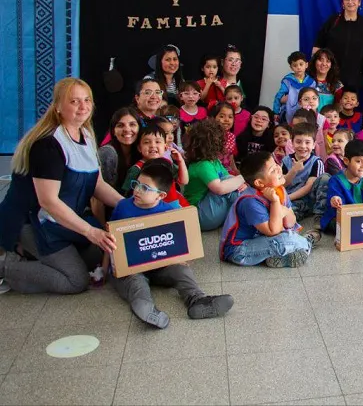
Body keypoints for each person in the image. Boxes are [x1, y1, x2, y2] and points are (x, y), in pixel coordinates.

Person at [0, 78, 121, 295]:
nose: (83, 106)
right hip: (34, 223)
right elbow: (49, 201)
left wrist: (128, 205)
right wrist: (90, 231)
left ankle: (30, 254)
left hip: (63, 221)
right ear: (58, 107)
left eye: (87, 100)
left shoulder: (86, 135)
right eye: (74, 101)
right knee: (75, 280)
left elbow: (97, 184)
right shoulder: (48, 145)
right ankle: (6, 265)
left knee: (102, 254)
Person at [110, 160, 233, 328]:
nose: (137, 190)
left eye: (145, 188)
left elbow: (181, 241)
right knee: (135, 283)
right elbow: (111, 238)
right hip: (133, 268)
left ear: (160, 195)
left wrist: (183, 257)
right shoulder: (123, 207)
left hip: (161, 265)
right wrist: (106, 268)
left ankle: (197, 300)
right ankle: (147, 309)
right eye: (137, 184)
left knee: (182, 270)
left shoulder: (170, 211)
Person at [220, 151, 319, 268]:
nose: (278, 168)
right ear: (259, 183)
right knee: (286, 239)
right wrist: (275, 202)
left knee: (288, 234)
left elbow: (290, 222)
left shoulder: (279, 189)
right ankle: (306, 243)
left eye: (276, 164)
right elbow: (273, 231)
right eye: (272, 170)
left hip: (261, 239)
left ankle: (279, 256)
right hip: (239, 250)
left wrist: (284, 210)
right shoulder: (250, 202)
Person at [183, 119, 249, 231]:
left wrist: (241, 183)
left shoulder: (214, 160)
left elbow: (229, 179)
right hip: (199, 215)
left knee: (231, 183)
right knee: (228, 182)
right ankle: (253, 213)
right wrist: (243, 178)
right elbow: (219, 188)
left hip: (211, 212)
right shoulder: (203, 165)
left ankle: (252, 210)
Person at [323, 139, 363, 235]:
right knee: (338, 225)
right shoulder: (337, 180)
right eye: (358, 161)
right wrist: (335, 199)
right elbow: (334, 198)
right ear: (346, 161)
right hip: (345, 217)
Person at [312, 0, 363, 91]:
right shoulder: (333, 21)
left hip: (354, 76)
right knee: (330, 105)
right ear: (343, 3)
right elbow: (317, 46)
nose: (350, 2)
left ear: (359, 2)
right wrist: (318, 71)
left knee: (349, 105)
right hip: (331, 74)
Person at [282, 123, 329, 218]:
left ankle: (318, 215)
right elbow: (282, 183)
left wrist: (287, 198)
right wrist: (293, 170)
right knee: (284, 217)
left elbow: (309, 186)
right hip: (292, 199)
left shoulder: (316, 162)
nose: (303, 146)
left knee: (325, 177)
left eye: (307, 142)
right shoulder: (286, 160)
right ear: (292, 143)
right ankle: (298, 214)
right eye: (298, 142)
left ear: (313, 145)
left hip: (309, 199)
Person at [97, 107, 141, 191]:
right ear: (113, 131)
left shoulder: (142, 151)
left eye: (132, 124)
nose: (127, 129)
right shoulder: (107, 153)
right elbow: (100, 192)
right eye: (120, 125)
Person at [273, 51, 314, 123]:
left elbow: (315, 98)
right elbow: (279, 96)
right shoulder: (287, 81)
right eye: (295, 65)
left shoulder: (311, 82)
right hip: (288, 112)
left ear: (306, 65)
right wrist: (275, 112)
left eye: (301, 64)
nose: (298, 67)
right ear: (291, 67)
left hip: (306, 113)